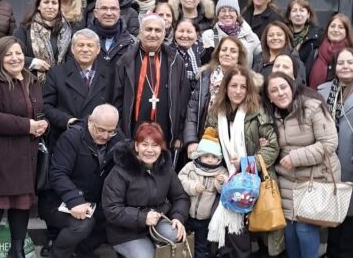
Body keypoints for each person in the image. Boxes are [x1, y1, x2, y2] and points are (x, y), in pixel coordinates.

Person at [0, 37, 47, 258]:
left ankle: (17, 251)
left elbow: (35, 112)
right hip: (0, 155)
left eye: (18, 53)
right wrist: (27, 125)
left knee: (21, 205)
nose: (15, 58)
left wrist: (42, 124)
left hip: (26, 155)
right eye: (8, 54)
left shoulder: (32, 81)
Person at [204, 67, 282, 257]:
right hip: (225, 179)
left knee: (246, 241)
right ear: (225, 87)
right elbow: (209, 145)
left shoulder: (257, 111)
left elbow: (272, 147)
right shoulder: (216, 112)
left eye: (243, 87)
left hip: (255, 182)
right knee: (228, 239)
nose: (238, 91)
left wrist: (247, 163)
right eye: (233, 86)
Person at [267, 71, 340, 258]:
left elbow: (329, 144)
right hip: (288, 183)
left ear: (292, 87)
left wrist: (295, 157)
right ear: (270, 98)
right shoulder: (273, 116)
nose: (280, 93)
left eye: (283, 87)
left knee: (304, 230)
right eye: (274, 90)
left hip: (314, 180)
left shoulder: (313, 107)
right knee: (290, 234)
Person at [41, 104, 124, 258]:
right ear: (90, 121)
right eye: (101, 130)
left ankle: (81, 250)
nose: (105, 136)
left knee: (114, 219)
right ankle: (57, 254)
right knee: (83, 225)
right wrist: (75, 200)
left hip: (95, 202)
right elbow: (58, 173)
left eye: (111, 131)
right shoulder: (72, 137)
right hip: (58, 201)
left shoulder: (117, 137)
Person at [317, 48, 353, 258]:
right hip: (330, 162)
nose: (345, 67)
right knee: (334, 218)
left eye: (350, 62)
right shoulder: (323, 90)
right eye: (341, 63)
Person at [102, 122, 189, 258]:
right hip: (125, 231)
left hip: (157, 221)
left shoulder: (166, 169)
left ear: (161, 148)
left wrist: (178, 217)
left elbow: (180, 197)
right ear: (136, 146)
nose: (149, 150)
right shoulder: (120, 171)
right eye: (144, 144)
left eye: (155, 145)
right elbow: (111, 209)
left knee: (176, 236)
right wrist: (143, 218)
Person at [113, 14, 190, 149]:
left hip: (166, 135)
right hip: (133, 134)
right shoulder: (126, 60)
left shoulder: (176, 61)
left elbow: (184, 100)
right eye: (148, 29)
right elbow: (117, 99)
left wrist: (179, 135)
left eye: (157, 30)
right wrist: (120, 133)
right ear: (140, 32)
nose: (153, 34)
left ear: (164, 34)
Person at [43, 28, 114, 145]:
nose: (85, 49)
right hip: (65, 137)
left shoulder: (109, 74)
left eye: (90, 45)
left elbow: (115, 104)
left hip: (99, 139)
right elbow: (46, 106)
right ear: (72, 49)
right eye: (80, 45)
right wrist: (68, 121)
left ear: (98, 50)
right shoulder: (56, 73)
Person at [183, 36, 250, 157]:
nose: (227, 53)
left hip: (234, 145)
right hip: (206, 138)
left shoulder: (247, 81)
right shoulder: (205, 77)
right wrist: (191, 140)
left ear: (239, 56)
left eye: (233, 51)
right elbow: (192, 111)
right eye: (224, 49)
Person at [177, 127, 229, 258]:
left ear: (219, 158)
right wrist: (193, 187)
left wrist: (221, 182)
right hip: (188, 216)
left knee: (201, 246)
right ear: (199, 156)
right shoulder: (191, 167)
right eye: (206, 156)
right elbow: (180, 180)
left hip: (205, 219)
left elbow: (224, 191)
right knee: (184, 242)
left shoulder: (221, 171)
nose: (210, 160)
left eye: (213, 157)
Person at [13, 0, 72, 83]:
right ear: (38, 6)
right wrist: (33, 62)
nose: (50, 6)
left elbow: (70, 59)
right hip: (31, 83)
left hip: (60, 83)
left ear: (59, 7)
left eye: (54, 3)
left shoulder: (66, 30)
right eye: (46, 2)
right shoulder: (25, 28)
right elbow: (12, 55)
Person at [201, 0, 261, 69]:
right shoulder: (208, 36)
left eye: (231, 10)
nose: (227, 14)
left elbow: (262, 59)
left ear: (237, 14)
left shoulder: (250, 36)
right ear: (217, 15)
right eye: (223, 10)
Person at [307, 13, 353, 89]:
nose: (335, 30)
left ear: (347, 31)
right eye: (332, 26)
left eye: (340, 27)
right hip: (314, 98)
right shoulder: (315, 52)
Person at [88, 0, 135, 68]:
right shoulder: (82, 41)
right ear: (95, 13)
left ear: (119, 13)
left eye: (113, 8)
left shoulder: (132, 43)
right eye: (104, 8)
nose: (109, 13)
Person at [285, 0, 323, 69]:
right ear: (289, 16)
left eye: (302, 10)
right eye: (294, 11)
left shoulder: (317, 35)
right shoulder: (282, 34)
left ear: (308, 15)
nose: (298, 14)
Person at [171, 18, 205, 91]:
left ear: (197, 34)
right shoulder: (168, 53)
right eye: (181, 31)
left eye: (189, 32)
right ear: (174, 33)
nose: (185, 35)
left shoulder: (205, 53)